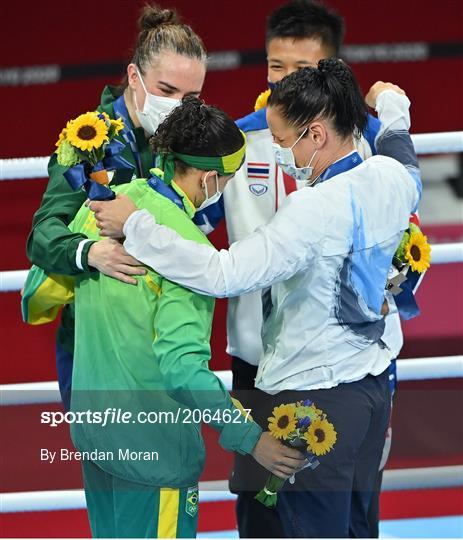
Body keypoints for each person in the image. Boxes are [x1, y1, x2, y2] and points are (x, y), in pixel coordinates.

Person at [89, 60, 422, 537]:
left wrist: (136, 226)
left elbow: (223, 273)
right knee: (358, 530)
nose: (281, 156)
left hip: (315, 404)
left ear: (316, 135)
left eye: (284, 142)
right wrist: (393, 104)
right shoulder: (394, 179)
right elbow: (399, 145)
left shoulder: (312, 209)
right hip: (371, 395)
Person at [22, 97, 308, 538]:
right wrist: (253, 439)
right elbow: (183, 373)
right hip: (154, 456)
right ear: (210, 178)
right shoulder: (189, 254)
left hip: (97, 436)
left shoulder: (106, 203)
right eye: (227, 180)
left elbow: (38, 291)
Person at [26, 3, 208, 411]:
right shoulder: (87, 138)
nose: (179, 106)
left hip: (164, 344)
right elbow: (42, 237)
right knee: (112, 466)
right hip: (96, 344)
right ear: (133, 77)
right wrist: (92, 252)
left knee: (166, 469)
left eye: (192, 96)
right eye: (166, 91)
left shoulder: (192, 139)